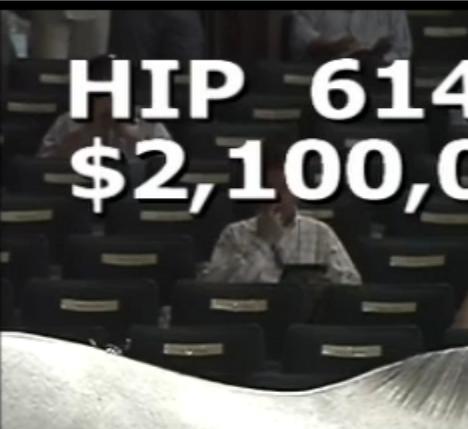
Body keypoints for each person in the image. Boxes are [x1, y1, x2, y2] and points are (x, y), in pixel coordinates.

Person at [200, 142, 361, 286]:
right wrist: (263, 243)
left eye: (283, 189)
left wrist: (321, 282)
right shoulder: (235, 234)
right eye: (269, 189)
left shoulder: (320, 233)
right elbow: (217, 288)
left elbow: (352, 284)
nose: (276, 198)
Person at [37, 54, 173, 159]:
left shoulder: (149, 120)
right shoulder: (68, 121)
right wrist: (91, 130)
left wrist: (130, 135)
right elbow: (46, 165)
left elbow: (167, 164)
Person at [290, 9, 411, 64]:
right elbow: (301, 39)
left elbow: (403, 49)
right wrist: (329, 47)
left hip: (376, 78)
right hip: (325, 72)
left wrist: (382, 59)